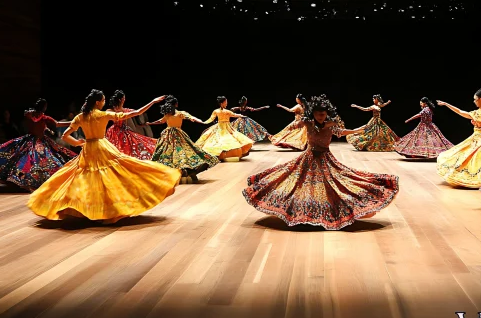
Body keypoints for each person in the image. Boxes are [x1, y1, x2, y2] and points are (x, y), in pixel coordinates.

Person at [243, 94, 398, 230]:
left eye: (323, 115)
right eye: (318, 115)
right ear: (313, 113)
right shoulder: (308, 123)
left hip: (325, 158)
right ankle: (302, 211)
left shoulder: (331, 124)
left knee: (340, 182)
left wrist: (357, 130)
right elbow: (294, 125)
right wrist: (280, 132)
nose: (320, 117)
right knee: (294, 182)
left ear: (326, 114)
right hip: (308, 157)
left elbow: (341, 132)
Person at [27, 90, 180, 223]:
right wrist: (152, 101)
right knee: (111, 176)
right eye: (104, 100)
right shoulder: (103, 115)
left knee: (88, 179)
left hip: (89, 148)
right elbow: (136, 113)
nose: (105, 102)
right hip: (102, 147)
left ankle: (91, 209)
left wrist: (79, 143)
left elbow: (66, 135)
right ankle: (108, 210)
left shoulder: (81, 117)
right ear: (98, 102)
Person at [0, 98, 77, 191]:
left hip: (36, 140)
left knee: (33, 160)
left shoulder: (32, 115)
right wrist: (75, 123)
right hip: (35, 141)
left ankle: (29, 179)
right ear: (44, 107)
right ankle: (26, 180)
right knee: (33, 160)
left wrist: (73, 123)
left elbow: (50, 123)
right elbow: (55, 124)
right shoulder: (38, 116)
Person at [148, 95, 219, 184]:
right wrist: (200, 121)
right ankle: (187, 173)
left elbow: (161, 121)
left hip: (170, 136)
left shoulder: (172, 114)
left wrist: (149, 123)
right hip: (174, 136)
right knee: (182, 152)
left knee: (173, 153)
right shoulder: (177, 113)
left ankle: (185, 173)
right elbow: (191, 117)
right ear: (176, 104)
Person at [195, 96, 254, 161]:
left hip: (227, 127)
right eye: (225, 102)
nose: (227, 103)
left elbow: (234, 114)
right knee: (221, 139)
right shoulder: (216, 111)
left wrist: (242, 116)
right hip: (220, 127)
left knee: (230, 139)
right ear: (221, 103)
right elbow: (211, 119)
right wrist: (204, 122)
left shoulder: (226, 111)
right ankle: (220, 155)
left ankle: (228, 155)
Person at [104, 90, 158, 160]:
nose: (124, 100)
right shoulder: (111, 111)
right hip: (116, 133)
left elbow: (139, 112)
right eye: (124, 98)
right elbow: (138, 112)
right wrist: (153, 101)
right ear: (121, 100)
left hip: (122, 131)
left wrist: (153, 102)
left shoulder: (122, 110)